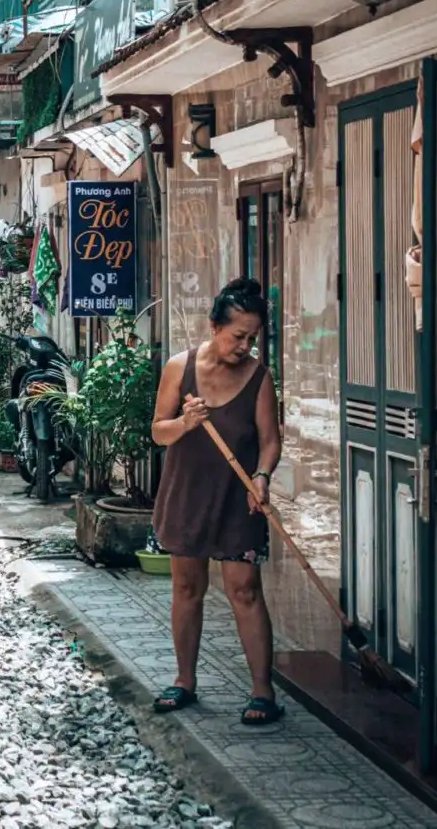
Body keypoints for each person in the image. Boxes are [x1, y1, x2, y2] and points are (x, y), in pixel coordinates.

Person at [150, 277, 283, 726]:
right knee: (187, 588)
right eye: (237, 336)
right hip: (187, 493)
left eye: (252, 338)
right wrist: (184, 424)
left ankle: (262, 691)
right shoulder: (179, 368)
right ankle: (184, 680)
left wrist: (262, 477)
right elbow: (157, 432)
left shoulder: (258, 377)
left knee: (244, 589)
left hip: (238, 497)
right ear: (213, 327)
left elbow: (270, 442)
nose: (245, 346)